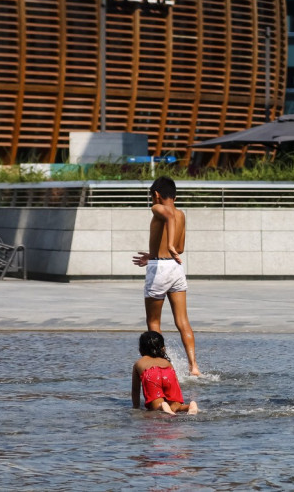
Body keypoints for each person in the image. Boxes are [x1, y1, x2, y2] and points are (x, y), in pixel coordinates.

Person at [132, 176, 201, 376]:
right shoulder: (181, 214)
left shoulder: (157, 208)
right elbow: (180, 248)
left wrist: (167, 246)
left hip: (160, 270)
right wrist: (155, 253)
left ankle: (163, 365)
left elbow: (169, 222)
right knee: (183, 321)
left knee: (153, 322)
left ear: (156, 194)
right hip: (175, 267)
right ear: (175, 196)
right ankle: (193, 366)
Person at [132, 330, 199, 416]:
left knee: (156, 406)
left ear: (141, 349)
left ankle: (162, 407)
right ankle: (188, 407)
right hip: (167, 372)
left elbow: (135, 389)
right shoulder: (167, 363)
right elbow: (176, 382)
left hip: (151, 374)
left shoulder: (139, 363)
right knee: (176, 406)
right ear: (163, 348)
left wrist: (136, 407)